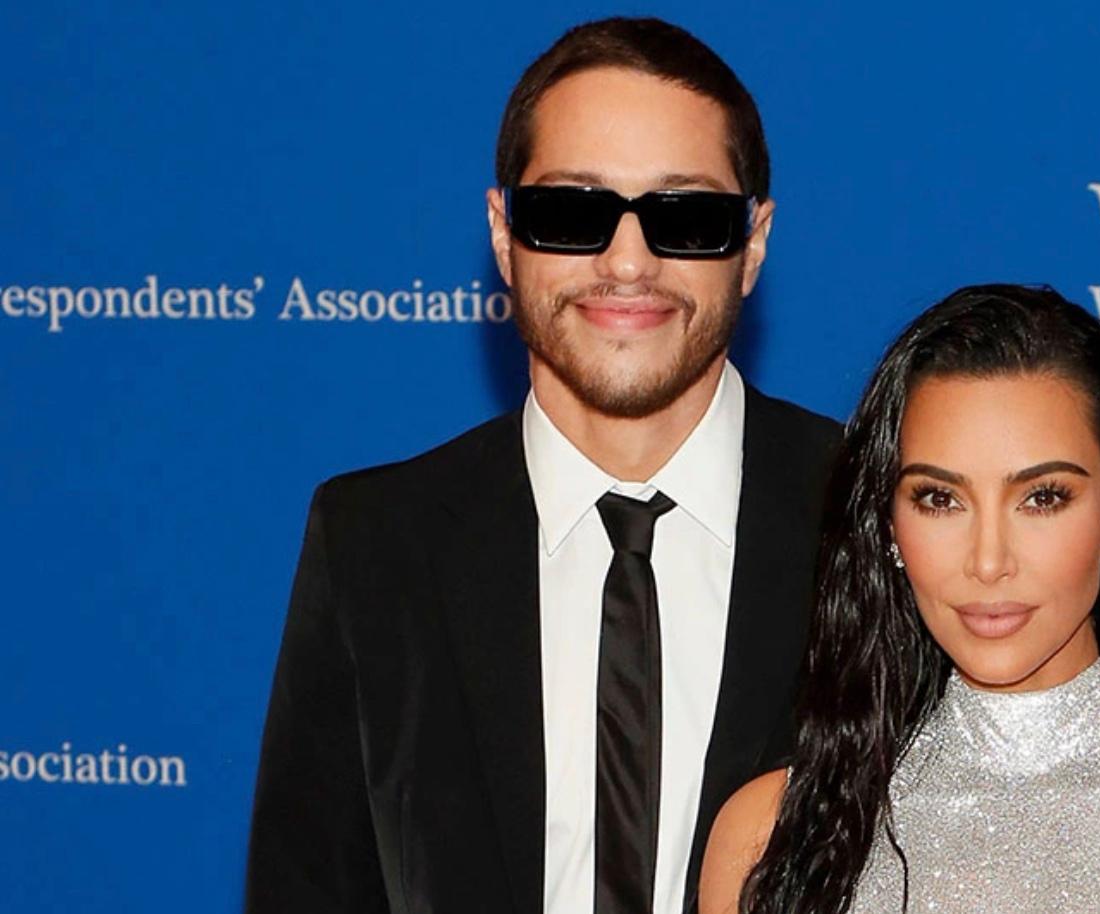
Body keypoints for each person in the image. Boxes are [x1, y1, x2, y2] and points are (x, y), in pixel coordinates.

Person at [245, 17, 841, 914]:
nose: (627, 262)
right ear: (502, 231)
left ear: (752, 243)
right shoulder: (373, 542)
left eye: (686, 217)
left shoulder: (875, 515)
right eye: (572, 212)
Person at [699, 285, 1100, 914]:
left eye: (1042, 498)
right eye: (940, 498)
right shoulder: (771, 837)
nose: (989, 562)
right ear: (889, 524)